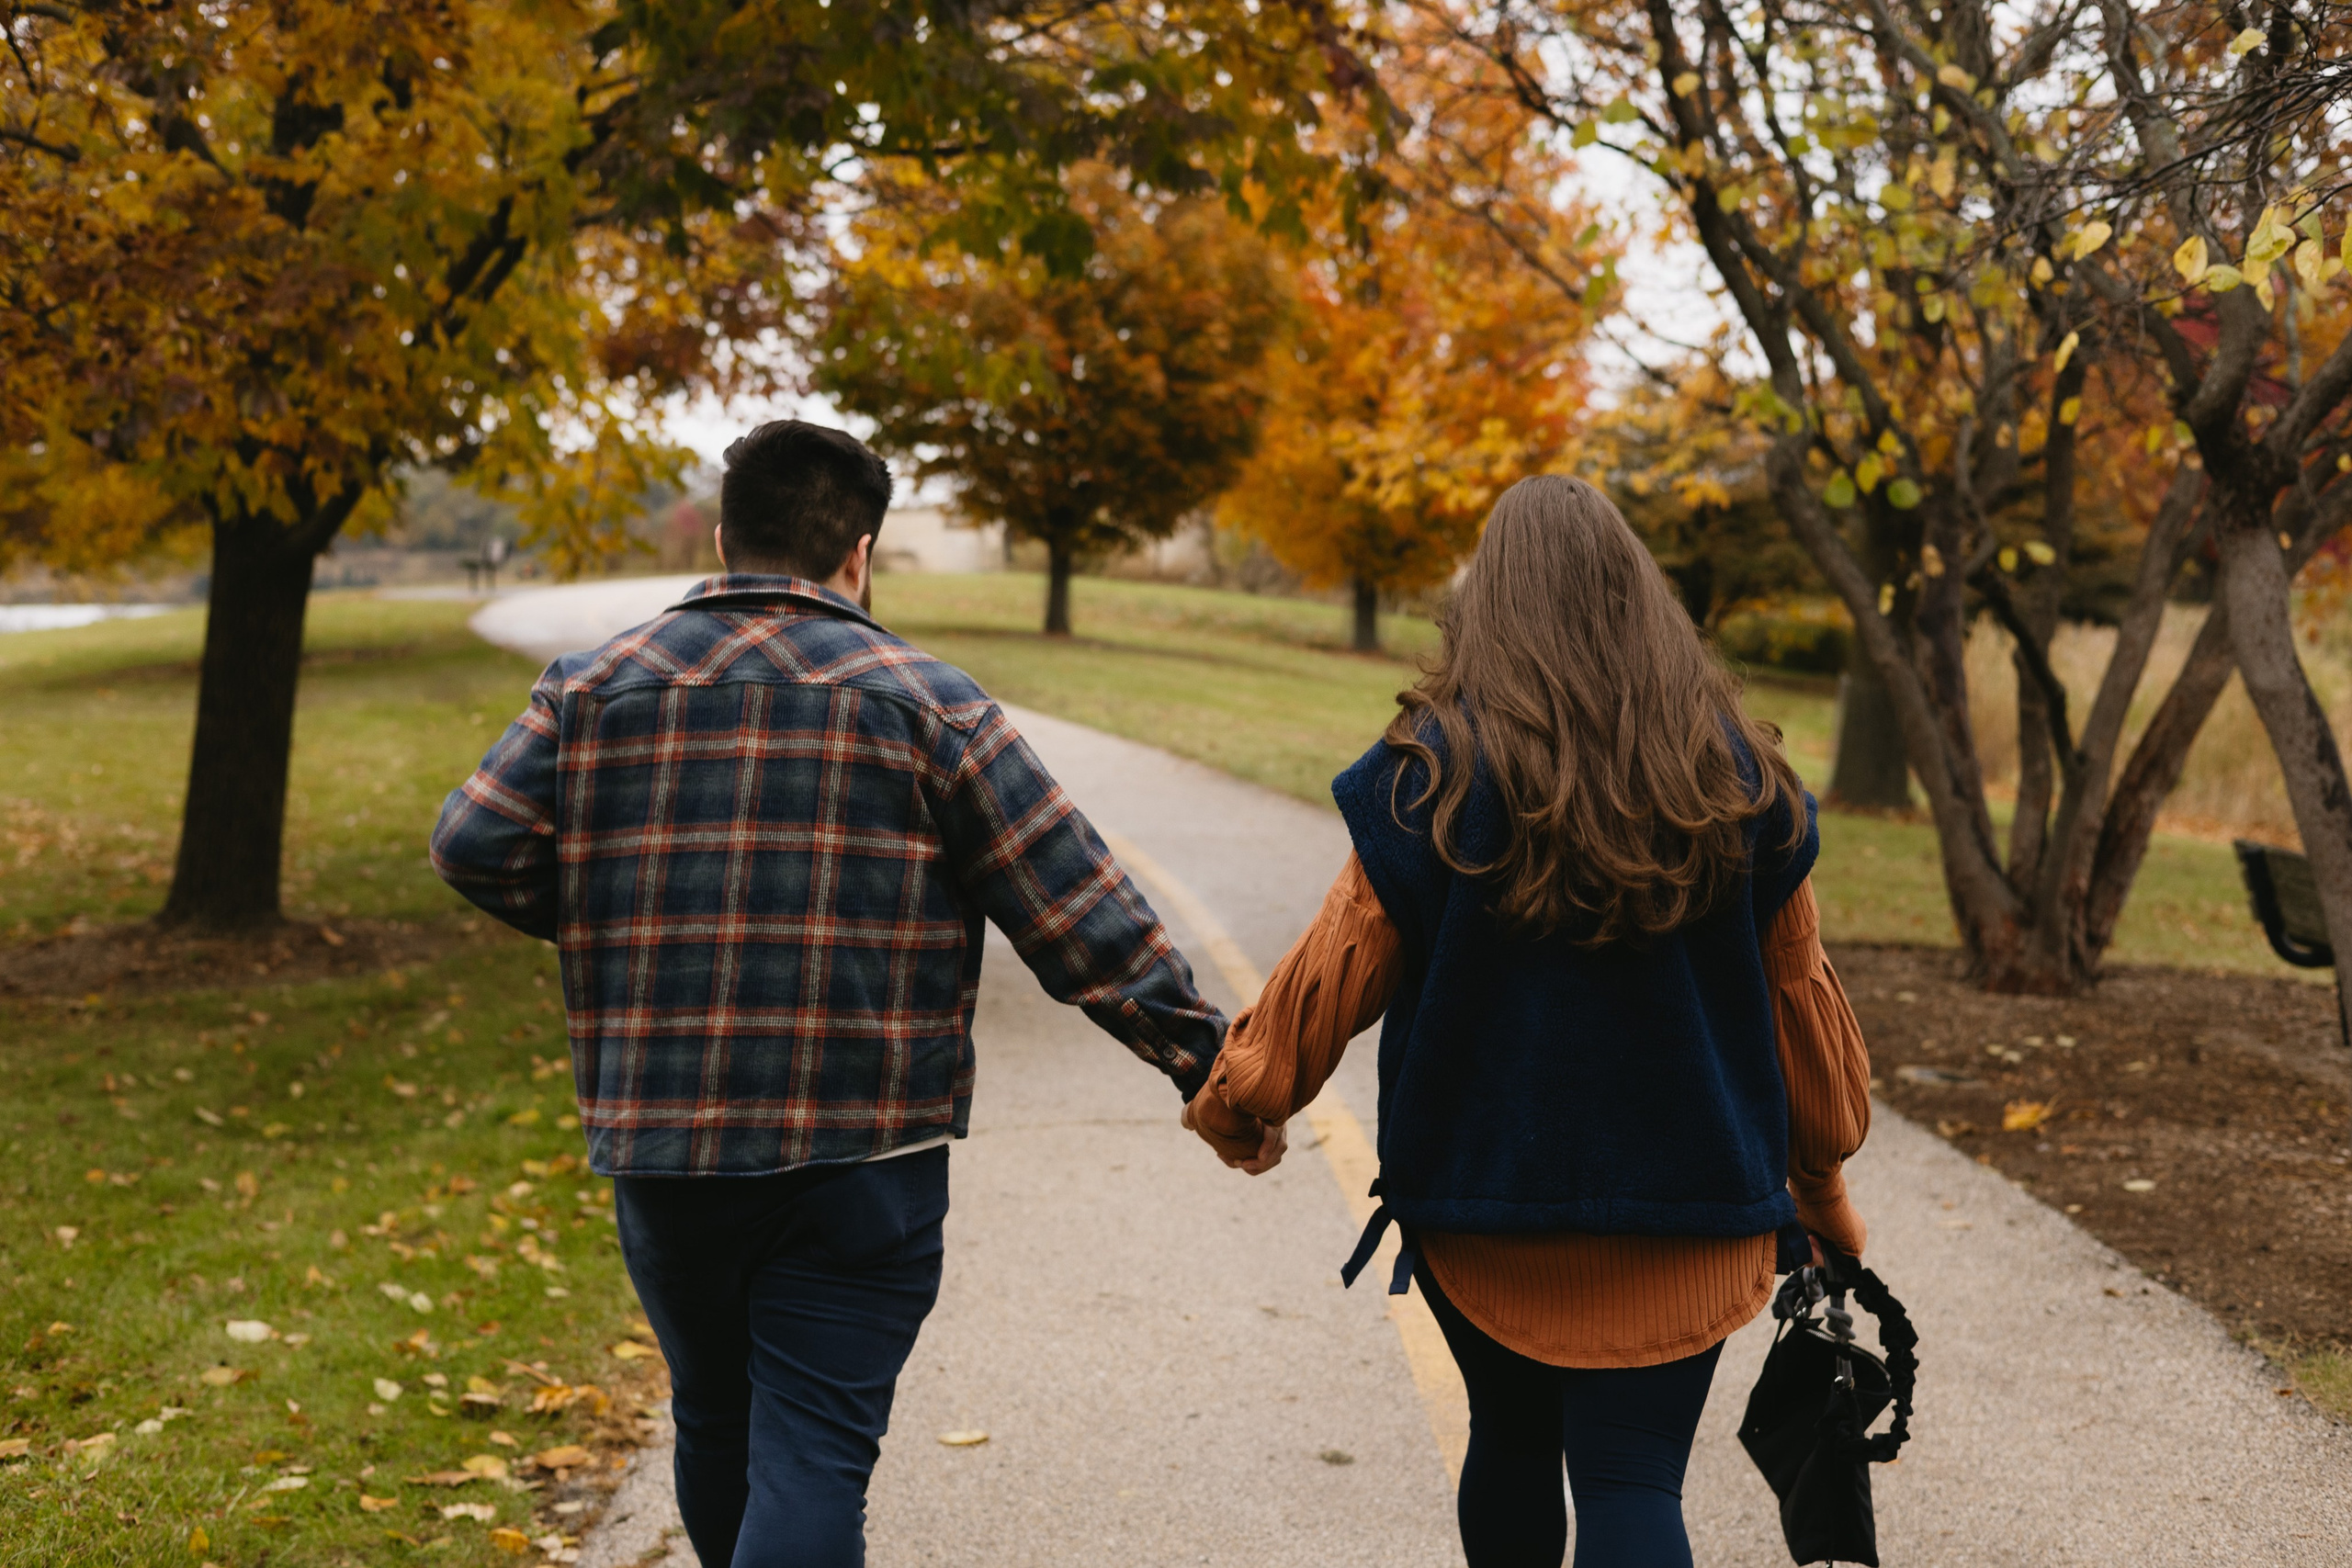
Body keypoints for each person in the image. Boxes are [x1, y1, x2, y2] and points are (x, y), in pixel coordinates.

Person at [429, 419, 1278, 1568]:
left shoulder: (593, 688)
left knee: (715, 1419)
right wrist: (1209, 1068)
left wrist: (624, 919)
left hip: (666, 1148)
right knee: (814, 1452)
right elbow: (1076, 908)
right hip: (862, 1153)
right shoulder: (927, 702)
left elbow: (473, 843)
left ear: (726, 539)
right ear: (859, 555)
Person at [1184, 474, 1871, 1568]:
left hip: (1484, 1209)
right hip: (1692, 1212)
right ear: (1639, 597)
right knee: (1633, 1481)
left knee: (1507, 1442)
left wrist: (1242, 1103)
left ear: (1486, 604)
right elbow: (1800, 1006)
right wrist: (1824, 1189)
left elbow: (1337, 966)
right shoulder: (1741, 779)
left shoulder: (1429, 776)